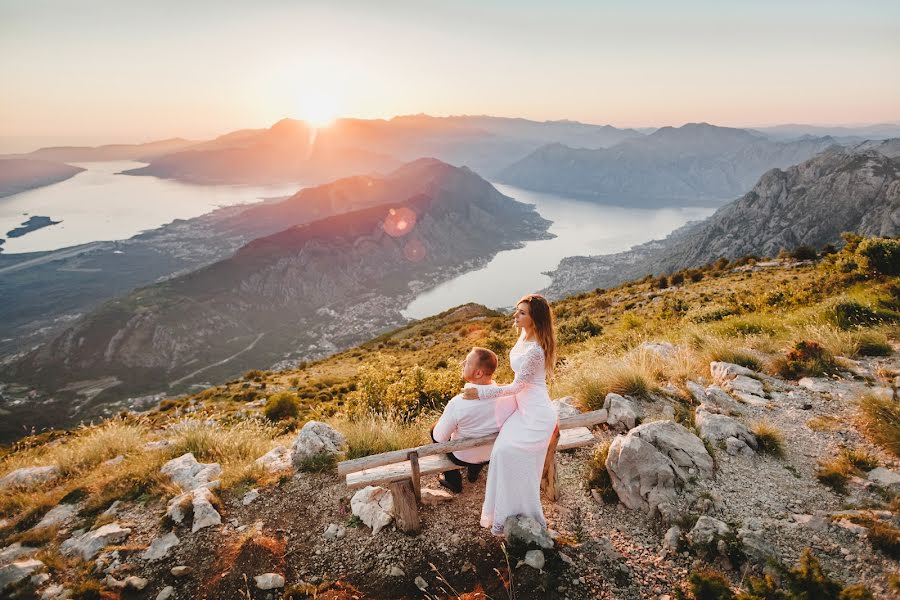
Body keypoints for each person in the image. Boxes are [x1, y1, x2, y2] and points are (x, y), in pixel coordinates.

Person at [462, 293, 558, 535]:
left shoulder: (537, 349)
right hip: (521, 409)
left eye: (522, 312)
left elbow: (518, 386)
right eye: (517, 310)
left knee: (510, 454)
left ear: (534, 319)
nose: (515, 315)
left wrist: (481, 393)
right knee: (501, 453)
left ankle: (525, 513)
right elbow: (517, 383)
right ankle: (503, 514)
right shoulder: (524, 336)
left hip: (536, 414)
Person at [431, 347, 517, 493]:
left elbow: (440, 439)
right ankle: (473, 473)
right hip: (492, 454)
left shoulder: (457, 403)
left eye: (468, 362)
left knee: (434, 431)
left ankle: (454, 482)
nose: (462, 363)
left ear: (478, 373)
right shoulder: (509, 398)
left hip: (462, 457)